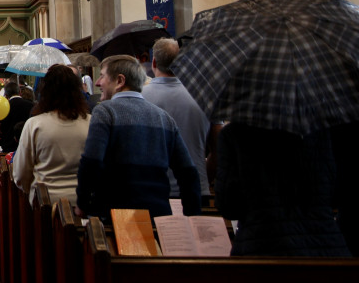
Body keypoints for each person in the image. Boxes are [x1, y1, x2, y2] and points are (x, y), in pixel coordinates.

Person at [75, 55, 201, 219]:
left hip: (115, 218)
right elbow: (188, 172)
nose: (98, 82)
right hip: (158, 216)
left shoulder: (105, 112)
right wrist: (192, 215)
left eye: (102, 76)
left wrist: (83, 205)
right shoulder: (164, 118)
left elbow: (91, 162)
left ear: (120, 81)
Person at [215, 123, 351, 256]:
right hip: (325, 247)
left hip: (262, 247)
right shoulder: (322, 132)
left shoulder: (234, 134)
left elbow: (228, 205)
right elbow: (336, 194)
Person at [141, 38, 211, 197]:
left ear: (153, 63)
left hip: (154, 189)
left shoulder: (140, 97)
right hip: (196, 189)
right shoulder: (204, 96)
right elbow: (218, 149)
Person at [12, 65, 90, 204]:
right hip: (83, 201)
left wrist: (29, 192)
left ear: (45, 91)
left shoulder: (35, 124)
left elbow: (20, 174)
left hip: (45, 202)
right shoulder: (91, 122)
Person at [0, 81, 34, 153]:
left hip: (8, 149)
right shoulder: (31, 106)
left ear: (5, 95)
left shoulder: (1, 108)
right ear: (20, 92)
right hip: (27, 149)